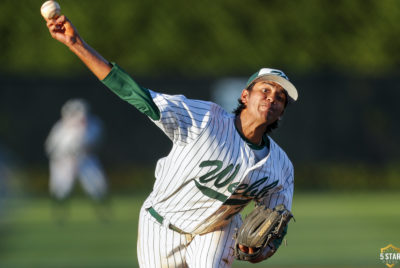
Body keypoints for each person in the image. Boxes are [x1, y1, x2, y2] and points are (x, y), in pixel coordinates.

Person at [44, 14, 298, 268]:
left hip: (216, 230)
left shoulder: (280, 166)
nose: (272, 98)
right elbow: (136, 94)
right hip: (161, 223)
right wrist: (77, 44)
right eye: (265, 90)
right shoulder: (204, 119)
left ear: (282, 110)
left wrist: (270, 246)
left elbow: (277, 218)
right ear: (245, 96)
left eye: (280, 97)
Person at [45, 99, 108, 205]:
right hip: (64, 160)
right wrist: (60, 157)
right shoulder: (60, 128)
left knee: (97, 186)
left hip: (86, 159)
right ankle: (59, 215)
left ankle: (104, 213)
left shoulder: (92, 125)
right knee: (61, 188)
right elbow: (51, 147)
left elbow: (95, 143)